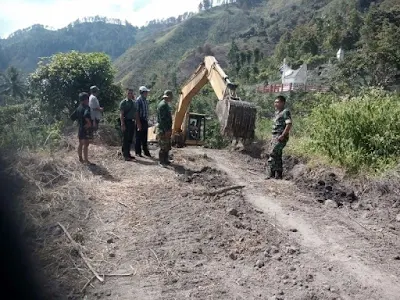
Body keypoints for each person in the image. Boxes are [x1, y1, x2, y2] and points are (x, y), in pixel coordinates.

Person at [266, 95, 292, 180]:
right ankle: (278, 174)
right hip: (275, 136)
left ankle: (270, 173)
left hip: (281, 136)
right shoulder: (277, 113)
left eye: (277, 102)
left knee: (273, 153)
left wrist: (283, 135)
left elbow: (289, 124)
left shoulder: (285, 112)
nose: (275, 104)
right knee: (277, 154)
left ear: (283, 103)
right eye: (275, 102)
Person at [119, 88, 138, 161]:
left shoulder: (133, 102)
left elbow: (135, 113)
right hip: (126, 121)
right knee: (126, 138)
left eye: (131, 93)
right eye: (129, 93)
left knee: (130, 138)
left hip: (132, 122)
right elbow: (121, 114)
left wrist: (137, 122)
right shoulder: (123, 102)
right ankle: (125, 154)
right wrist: (122, 124)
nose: (130, 94)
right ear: (126, 94)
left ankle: (128, 153)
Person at [157, 90, 173, 166]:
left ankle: (165, 160)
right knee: (163, 146)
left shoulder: (166, 105)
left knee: (167, 146)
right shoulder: (162, 105)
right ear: (168, 97)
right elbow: (162, 119)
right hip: (163, 129)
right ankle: (161, 161)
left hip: (167, 129)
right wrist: (166, 130)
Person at [135, 86, 152, 157]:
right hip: (140, 120)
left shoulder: (146, 101)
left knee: (145, 137)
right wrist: (138, 123)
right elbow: (136, 112)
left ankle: (145, 151)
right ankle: (138, 152)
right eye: (146, 92)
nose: (147, 93)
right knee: (138, 137)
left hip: (144, 120)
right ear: (142, 92)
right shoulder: (138, 101)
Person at [77, 92, 93, 164]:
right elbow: (86, 115)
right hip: (85, 128)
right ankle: (86, 160)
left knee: (80, 143)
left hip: (80, 128)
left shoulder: (79, 107)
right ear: (86, 99)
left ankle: (80, 158)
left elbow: (72, 116)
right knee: (86, 144)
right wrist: (89, 123)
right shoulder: (86, 107)